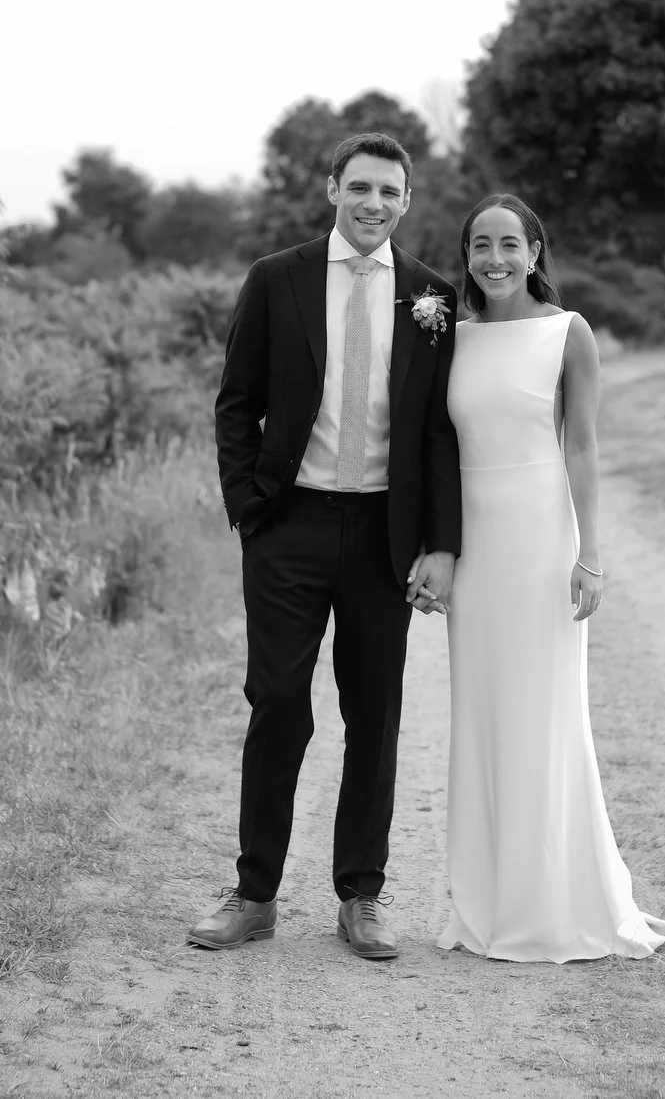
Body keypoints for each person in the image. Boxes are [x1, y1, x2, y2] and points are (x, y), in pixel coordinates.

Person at [191, 132, 463, 961]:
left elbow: (441, 435)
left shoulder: (432, 297)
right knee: (277, 704)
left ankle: (361, 896)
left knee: (373, 715)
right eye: (360, 188)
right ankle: (255, 893)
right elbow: (236, 403)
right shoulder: (278, 278)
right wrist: (248, 508)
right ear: (332, 189)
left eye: (389, 191)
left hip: (384, 532)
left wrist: (441, 544)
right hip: (291, 525)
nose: (373, 204)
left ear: (407, 201)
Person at [436, 193, 665, 962]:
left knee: (544, 713)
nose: (494, 259)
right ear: (465, 255)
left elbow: (585, 449)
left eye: (509, 244)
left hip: (541, 539)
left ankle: (555, 902)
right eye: (479, 246)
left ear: (536, 251)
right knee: (482, 712)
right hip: (474, 549)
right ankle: (488, 902)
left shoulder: (569, 334)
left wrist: (591, 551)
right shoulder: (447, 335)